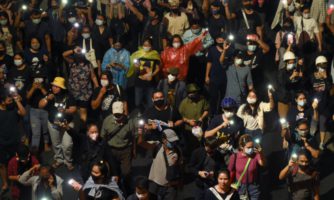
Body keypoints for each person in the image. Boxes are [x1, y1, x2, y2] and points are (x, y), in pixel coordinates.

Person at [38, 77, 77, 170]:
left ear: (62, 88)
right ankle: (59, 159)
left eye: (57, 86)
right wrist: (47, 98)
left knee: (67, 144)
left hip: (66, 124)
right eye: (53, 86)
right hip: (53, 123)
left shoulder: (68, 95)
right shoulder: (50, 95)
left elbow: (74, 109)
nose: (54, 88)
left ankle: (68, 161)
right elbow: (40, 105)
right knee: (56, 144)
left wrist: (65, 111)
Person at [101, 101, 138, 192]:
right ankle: (114, 189)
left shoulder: (130, 122)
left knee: (126, 172)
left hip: (125, 150)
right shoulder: (107, 121)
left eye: (119, 114)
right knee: (113, 172)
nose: (117, 116)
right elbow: (103, 137)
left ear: (124, 111)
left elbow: (133, 137)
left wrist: (134, 150)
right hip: (111, 150)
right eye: (115, 114)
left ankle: (126, 187)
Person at [138, 129, 183, 200]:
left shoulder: (178, 151)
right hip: (154, 185)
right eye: (171, 141)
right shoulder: (157, 146)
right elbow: (141, 143)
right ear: (164, 140)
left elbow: (180, 168)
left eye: (175, 141)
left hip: (170, 187)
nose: (173, 143)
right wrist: (141, 133)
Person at [63, 46, 99, 123]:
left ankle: (82, 127)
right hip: (73, 91)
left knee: (83, 111)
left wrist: (97, 86)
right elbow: (64, 55)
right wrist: (73, 50)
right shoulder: (72, 62)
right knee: (72, 110)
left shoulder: (89, 64)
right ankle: (69, 123)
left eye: (81, 52)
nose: (79, 54)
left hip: (85, 92)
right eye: (78, 52)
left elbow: (93, 76)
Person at [0, 89, 26, 192]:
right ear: (2, 102)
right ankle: (5, 183)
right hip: (1, 142)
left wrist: (17, 101)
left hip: (15, 140)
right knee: (2, 164)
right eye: (9, 100)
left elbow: (23, 113)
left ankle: (15, 180)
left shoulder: (13, 107)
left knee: (16, 161)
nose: (11, 101)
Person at [205, 97, 244, 165]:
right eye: (226, 109)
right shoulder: (216, 119)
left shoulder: (239, 121)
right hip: (216, 151)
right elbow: (206, 135)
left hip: (231, 152)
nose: (229, 111)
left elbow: (241, 137)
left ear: (235, 109)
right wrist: (221, 126)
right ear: (222, 109)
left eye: (231, 109)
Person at [228, 134, 265, 200]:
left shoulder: (256, 155)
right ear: (242, 147)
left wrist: (261, 153)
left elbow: (262, 163)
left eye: (252, 147)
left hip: (253, 186)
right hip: (240, 187)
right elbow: (230, 172)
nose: (251, 149)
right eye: (248, 147)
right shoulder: (234, 157)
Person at [128, 38, 161, 109]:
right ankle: (141, 113)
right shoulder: (138, 54)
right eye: (145, 45)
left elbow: (158, 68)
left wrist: (152, 75)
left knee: (151, 103)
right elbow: (136, 70)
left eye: (148, 45)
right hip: (139, 82)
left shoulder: (155, 54)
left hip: (150, 83)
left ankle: (148, 115)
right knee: (137, 102)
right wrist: (136, 67)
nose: (146, 46)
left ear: (151, 46)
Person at [179, 83, 209, 158]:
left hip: (200, 129)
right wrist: (188, 121)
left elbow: (206, 110)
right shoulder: (184, 103)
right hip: (188, 130)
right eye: (191, 92)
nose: (192, 94)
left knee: (199, 147)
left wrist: (201, 117)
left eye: (194, 92)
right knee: (189, 148)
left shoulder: (202, 100)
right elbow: (179, 117)